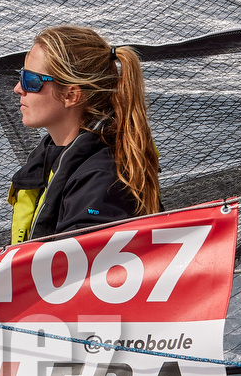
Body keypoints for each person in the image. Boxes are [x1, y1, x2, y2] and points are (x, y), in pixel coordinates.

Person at [9, 25, 161, 244]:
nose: (18, 88)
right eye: (21, 76)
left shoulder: (103, 181)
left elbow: (80, 270)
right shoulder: (52, 157)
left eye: (31, 81)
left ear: (71, 95)